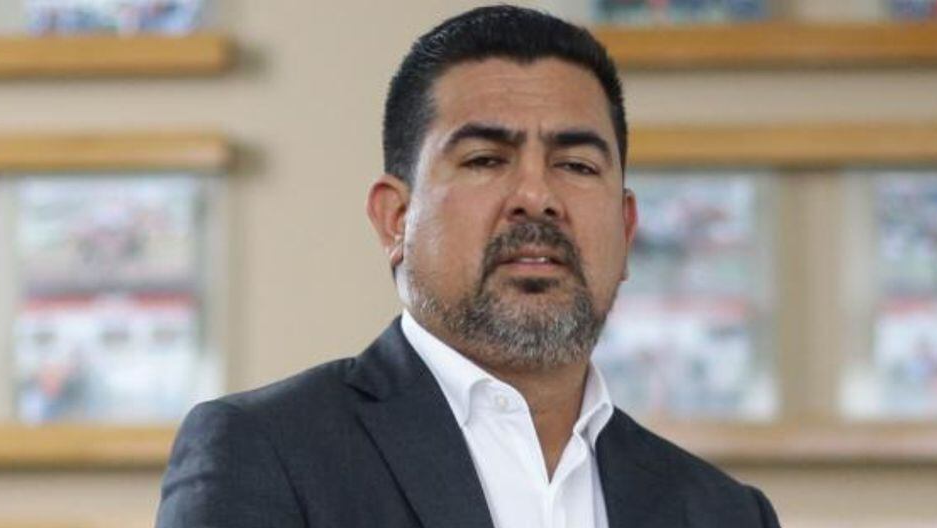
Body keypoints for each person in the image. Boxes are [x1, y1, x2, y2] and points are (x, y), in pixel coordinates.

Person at [155, 5, 781, 528]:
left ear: (625, 228)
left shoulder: (724, 513)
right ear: (395, 219)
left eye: (576, 165)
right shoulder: (266, 452)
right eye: (485, 160)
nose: (536, 196)